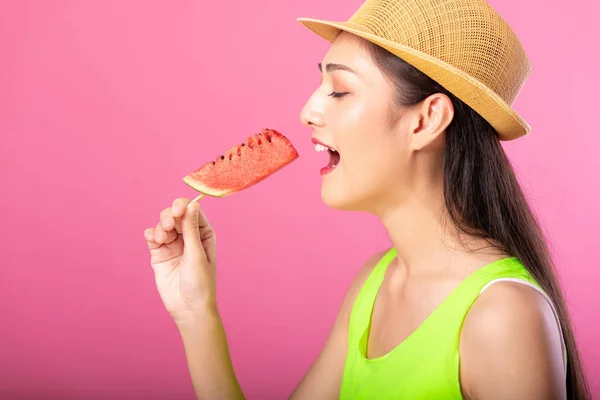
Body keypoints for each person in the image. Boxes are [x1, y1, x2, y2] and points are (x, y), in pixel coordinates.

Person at [143, 0, 590, 398]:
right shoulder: (373, 284)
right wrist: (195, 313)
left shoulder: (504, 317)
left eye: (339, 90)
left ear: (426, 120)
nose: (308, 111)